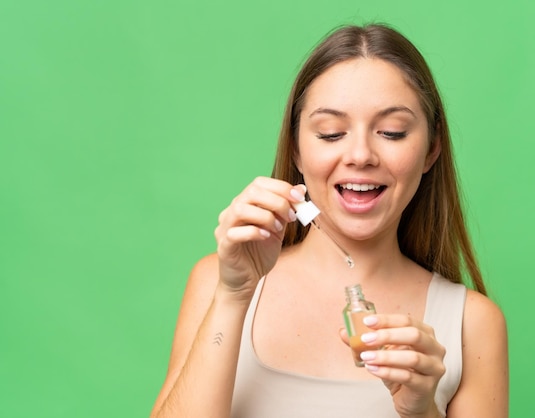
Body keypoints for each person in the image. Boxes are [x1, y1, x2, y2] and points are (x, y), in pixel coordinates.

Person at [150, 23, 508, 418]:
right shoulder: (219, 283)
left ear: (431, 149)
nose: (360, 155)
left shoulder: (471, 324)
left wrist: (420, 411)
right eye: (331, 133)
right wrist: (234, 297)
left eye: (391, 132)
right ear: (297, 151)